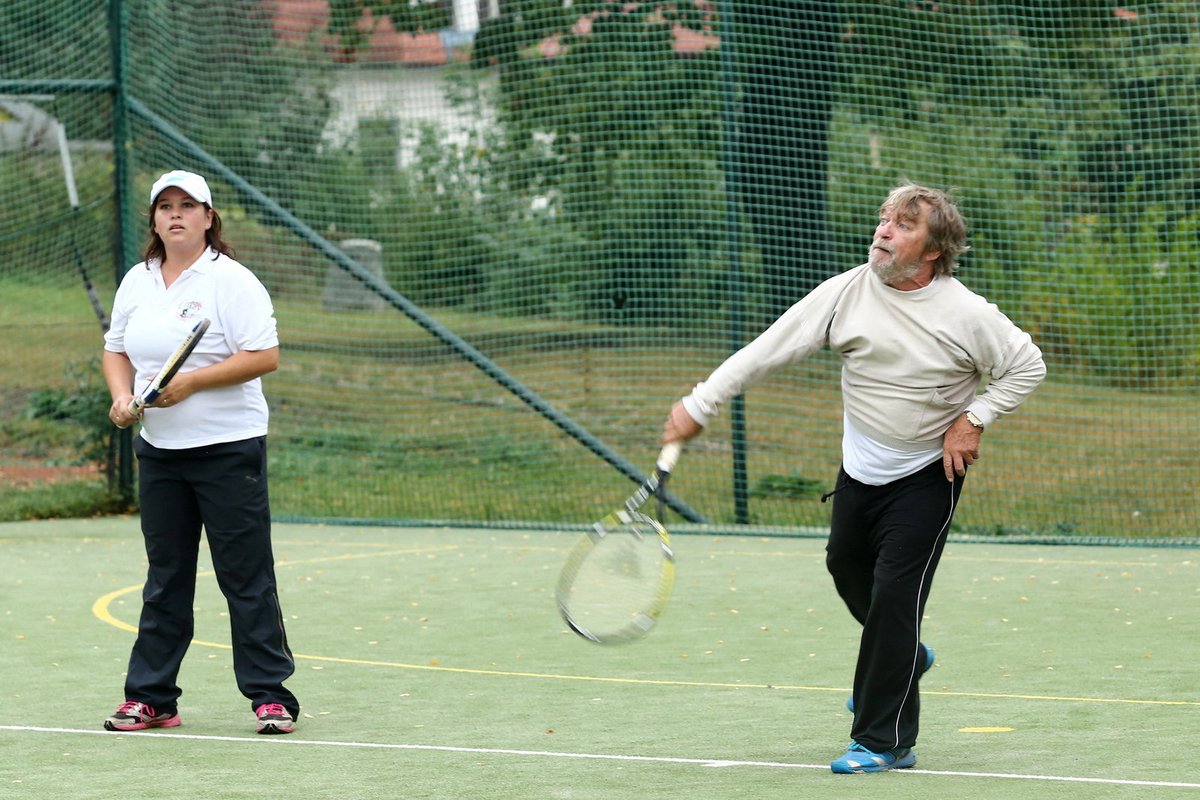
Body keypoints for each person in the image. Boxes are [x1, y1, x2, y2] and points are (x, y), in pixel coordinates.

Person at [661, 183, 1045, 773]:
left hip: (927, 476)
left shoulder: (966, 313)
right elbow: (766, 350)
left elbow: (1027, 365)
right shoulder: (844, 294)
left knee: (894, 598)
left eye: (903, 224)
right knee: (845, 567)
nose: (883, 230)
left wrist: (974, 419)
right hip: (858, 471)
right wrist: (699, 404)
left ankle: (883, 740)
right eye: (883, 219)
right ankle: (906, 657)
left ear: (934, 249)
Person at [101, 170, 299, 735]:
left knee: (245, 576)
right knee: (166, 577)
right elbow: (116, 350)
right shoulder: (137, 281)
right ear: (154, 221)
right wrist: (122, 397)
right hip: (160, 453)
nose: (176, 214)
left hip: (228, 450)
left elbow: (264, 356)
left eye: (189, 205)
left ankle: (270, 695)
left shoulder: (231, 281)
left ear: (209, 218)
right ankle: (152, 697)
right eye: (165, 207)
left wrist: (192, 383)